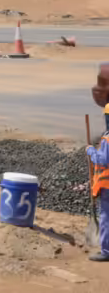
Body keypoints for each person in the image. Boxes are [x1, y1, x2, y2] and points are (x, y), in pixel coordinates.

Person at [86, 103, 109, 262]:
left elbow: (103, 160)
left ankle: (106, 251)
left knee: (106, 218)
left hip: (107, 186)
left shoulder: (108, 139)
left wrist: (91, 151)